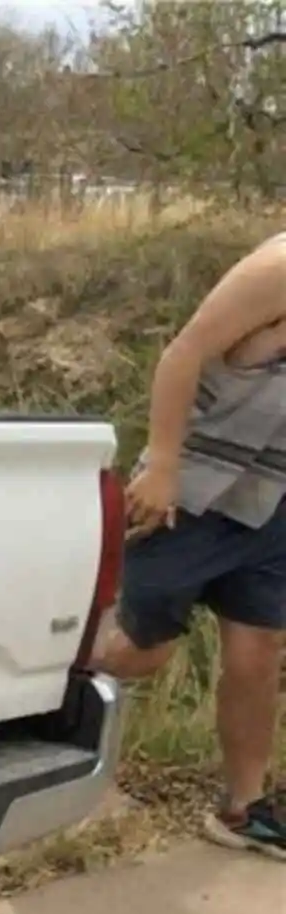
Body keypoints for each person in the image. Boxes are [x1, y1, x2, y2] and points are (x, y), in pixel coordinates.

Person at [95, 231, 286, 859]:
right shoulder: (278, 268)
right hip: (193, 491)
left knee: (259, 653)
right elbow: (184, 352)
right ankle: (21, 720)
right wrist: (165, 465)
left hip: (268, 503)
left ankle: (242, 808)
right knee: (140, 651)